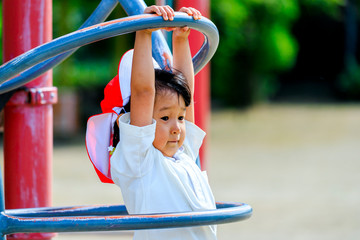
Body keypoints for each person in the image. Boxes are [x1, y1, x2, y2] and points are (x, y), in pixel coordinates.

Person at [86, 5, 217, 240]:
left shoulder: (184, 153)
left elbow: (186, 95)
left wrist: (181, 38)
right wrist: (144, 31)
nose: (177, 127)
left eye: (179, 118)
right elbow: (143, 93)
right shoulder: (140, 160)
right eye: (165, 118)